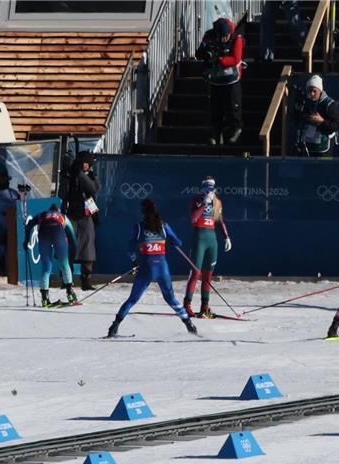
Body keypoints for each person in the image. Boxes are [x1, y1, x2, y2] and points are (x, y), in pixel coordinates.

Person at [107, 199, 197, 337]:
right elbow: (178, 242)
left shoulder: (138, 227)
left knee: (132, 299)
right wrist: (172, 241)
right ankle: (189, 325)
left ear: (143, 212)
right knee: (171, 299)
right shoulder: (164, 226)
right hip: (162, 268)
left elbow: (130, 251)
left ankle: (114, 327)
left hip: (146, 268)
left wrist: (135, 262)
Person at [182, 176, 232, 318]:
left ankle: (205, 306)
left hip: (212, 240)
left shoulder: (217, 202)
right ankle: (187, 305)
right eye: (207, 189)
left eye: (211, 189)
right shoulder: (196, 200)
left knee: (208, 275)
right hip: (199, 238)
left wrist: (226, 237)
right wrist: (204, 203)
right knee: (195, 273)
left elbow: (220, 220)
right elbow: (193, 218)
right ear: (202, 189)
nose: (209, 192)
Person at [196, 17, 244, 145]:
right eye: (221, 36)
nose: (223, 39)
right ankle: (215, 134)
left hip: (232, 79)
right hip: (215, 79)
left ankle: (234, 132)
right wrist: (206, 54)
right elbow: (200, 52)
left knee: (233, 108)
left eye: (226, 36)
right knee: (215, 109)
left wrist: (220, 60)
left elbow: (235, 59)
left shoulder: (237, 38)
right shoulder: (209, 36)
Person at [59, 150, 101, 290]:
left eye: (87, 163)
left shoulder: (91, 177)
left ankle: (86, 280)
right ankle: (66, 279)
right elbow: (62, 193)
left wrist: (80, 175)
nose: (85, 166)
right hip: (71, 214)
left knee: (87, 249)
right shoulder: (70, 175)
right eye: (82, 163)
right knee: (68, 247)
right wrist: (67, 174)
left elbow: (93, 189)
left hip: (86, 214)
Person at [24, 203, 78, 307]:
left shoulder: (41, 214)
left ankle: (45, 299)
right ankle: (70, 294)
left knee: (46, 268)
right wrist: (71, 256)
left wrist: (26, 241)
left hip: (44, 234)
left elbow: (29, 225)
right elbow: (72, 239)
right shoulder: (63, 217)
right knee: (65, 265)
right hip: (58, 233)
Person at [293, 74, 339, 157]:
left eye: (315, 91)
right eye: (309, 90)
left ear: (320, 91)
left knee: (324, 168)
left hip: (324, 148)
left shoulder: (330, 104)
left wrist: (321, 121)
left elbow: (335, 126)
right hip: (308, 145)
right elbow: (298, 121)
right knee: (307, 168)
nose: (312, 93)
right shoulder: (305, 102)